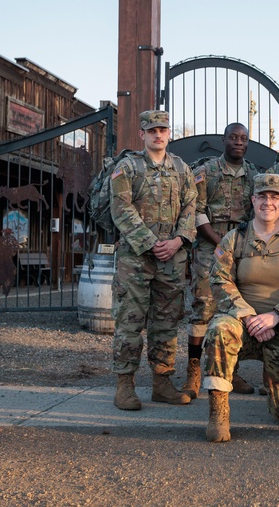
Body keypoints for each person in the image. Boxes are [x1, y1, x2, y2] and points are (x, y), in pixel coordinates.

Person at [201, 173, 279, 443]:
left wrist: (276, 315)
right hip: (243, 325)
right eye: (263, 196)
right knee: (219, 329)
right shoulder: (235, 238)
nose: (269, 202)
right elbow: (219, 279)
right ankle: (218, 413)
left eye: (275, 197)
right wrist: (247, 315)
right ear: (253, 200)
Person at [110, 110, 197, 411]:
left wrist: (177, 241)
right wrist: (150, 242)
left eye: (162, 129)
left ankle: (161, 383)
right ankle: (124, 386)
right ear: (142, 135)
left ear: (168, 133)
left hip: (172, 258)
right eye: (152, 130)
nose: (158, 135)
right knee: (129, 321)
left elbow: (190, 206)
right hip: (135, 258)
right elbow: (120, 208)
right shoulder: (128, 167)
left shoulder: (182, 168)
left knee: (166, 323)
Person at [182, 123, 261, 399]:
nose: (238, 142)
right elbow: (196, 211)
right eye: (233, 138)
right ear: (224, 141)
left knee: (235, 307)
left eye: (243, 138)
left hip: (241, 249)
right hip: (210, 247)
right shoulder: (206, 172)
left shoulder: (254, 174)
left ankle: (230, 370)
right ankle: (194, 370)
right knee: (203, 307)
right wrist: (219, 241)